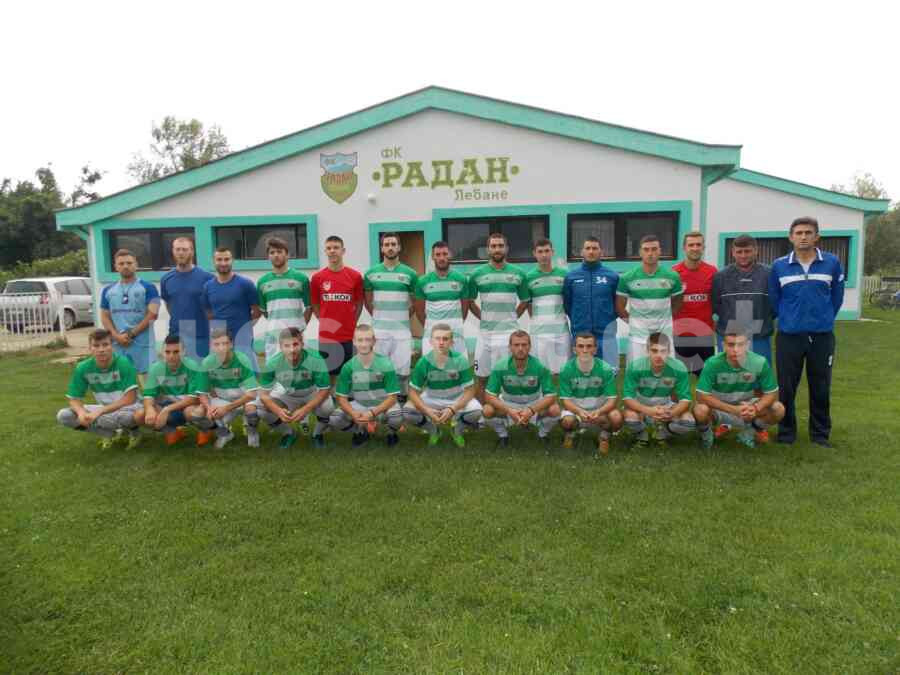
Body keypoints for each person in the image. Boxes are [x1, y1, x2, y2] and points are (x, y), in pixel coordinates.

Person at [768, 217, 844, 447]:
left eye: (808, 232)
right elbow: (774, 300)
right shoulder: (779, 266)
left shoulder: (832, 263)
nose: (803, 237)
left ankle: (820, 435)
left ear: (816, 236)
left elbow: (837, 298)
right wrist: (790, 319)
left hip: (822, 337)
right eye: (799, 233)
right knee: (786, 387)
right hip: (789, 336)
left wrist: (823, 319)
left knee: (820, 386)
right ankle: (786, 434)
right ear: (791, 237)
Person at [694, 330, 785, 449]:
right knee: (700, 410)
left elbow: (772, 393)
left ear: (748, 345)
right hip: (720, 407)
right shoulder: (712, 363)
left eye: (740, 345)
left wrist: (755, 408)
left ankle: (748, 434)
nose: (736, 350)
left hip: (746, 406)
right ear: (723, 346)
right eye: (731, 345)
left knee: (778, 409)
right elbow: (701, 396)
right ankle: (707, 437)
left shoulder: (759, 362)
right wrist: (733, 410)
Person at [56, 328, 142, 449]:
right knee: (64, 415)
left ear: (112, 346)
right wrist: (81, 413)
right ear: (90, 348)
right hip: (104, 410)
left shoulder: (123, 363)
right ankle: (108, 434)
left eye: (105, 344)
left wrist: (99, 412)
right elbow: (74, 399)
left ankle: (134, 433)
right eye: (96, 345)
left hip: (128, 408)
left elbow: (130, 399)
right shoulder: (83, 367)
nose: (101, 349)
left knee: (128, 416)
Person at [467, 232, 529, 398]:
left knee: (507, 378)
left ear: (506, 248)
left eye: (500, 246)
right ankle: (482, 411)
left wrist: (512, 318)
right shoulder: (476, 274)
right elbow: (470, 301)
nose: (497, 249)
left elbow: (525, 301)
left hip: (508, 334)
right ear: (488, 249)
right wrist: (484, 318)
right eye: (493, 246)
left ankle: (506, 409)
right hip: (485, 334)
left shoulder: (519, 273)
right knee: (481, 378)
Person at [404, 323, 483, 447]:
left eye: (445, 339)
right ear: (431, 342)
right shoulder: (423, 362)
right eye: (437, 339)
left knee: (477, 411)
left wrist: (453, 409)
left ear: (451, 342)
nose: (441, 343)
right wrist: (427, 410)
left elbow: (470, 390)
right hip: (432, 397)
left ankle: (457, 430)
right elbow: (413, 392)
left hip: (456, 398)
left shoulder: (460, 360)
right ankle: (433, 430)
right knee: (407, 411)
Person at [257, 327, 333, 450]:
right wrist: (278, 410)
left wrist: (305, 409)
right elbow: (263, 395)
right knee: (261, 409)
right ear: (281, 347)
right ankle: (288, 433)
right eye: (287, 346)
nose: (292, 350)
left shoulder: (315, 359)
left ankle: (317, 434)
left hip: (311, 392)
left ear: (302, 344)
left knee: (327, 407)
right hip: (286, 394)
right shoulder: (273, 363)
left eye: (295, 344)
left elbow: (324, 390)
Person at [482, 330, 560, 449]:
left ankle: (542, 434)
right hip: (509, 403)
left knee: (555, 410)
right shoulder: (500, 366)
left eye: (524, 345)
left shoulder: (540, 366)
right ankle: (503, 435)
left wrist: (531, 410)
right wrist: (509, 410)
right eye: (516, 345)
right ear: (510, 347)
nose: (520, 348)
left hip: (533, 402)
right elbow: (489, 396)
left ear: (530, 347)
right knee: (487, 410)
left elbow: (551, 396)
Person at [364, 232, 418, 402]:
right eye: (386, 244)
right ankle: (381, 404)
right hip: (379, 332)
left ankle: (400, 405)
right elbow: (368, 302)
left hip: (402, 332)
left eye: (393, 244)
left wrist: (401, 319)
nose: (390, 247)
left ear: (399, 247)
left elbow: (415, 303)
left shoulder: (410, 274)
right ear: (381, 248)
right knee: (379, 371)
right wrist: (380, 318)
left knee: (402, 372)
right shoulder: (371, 273)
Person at [329, 324, 404, 447]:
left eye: (367, 339)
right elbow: (341, 397)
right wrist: (353, 413)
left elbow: (392, 398)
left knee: (396, 416)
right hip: (360, 405)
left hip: (382, 406)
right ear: (354, 341)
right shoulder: (348, 366)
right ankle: (359, 432)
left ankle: (390, 433)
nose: (364, 344)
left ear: (374, 341)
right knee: (334, 418)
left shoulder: (385, 364)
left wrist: (372, 413)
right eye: (360, 340)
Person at [188, 328, 261, 449]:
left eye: (225, 343)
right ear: (211, 346)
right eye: (217, 344)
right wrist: (209, 408)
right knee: (197, 415)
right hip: (223, 400)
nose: (221, 348)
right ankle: (224, 434)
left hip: (244, 399)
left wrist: (226, 408)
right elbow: (202, 393)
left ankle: (252, 433)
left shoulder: (242, 359)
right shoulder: (207, 363)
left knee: (251, 410)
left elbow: (252, 394)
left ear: (231, 344)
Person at [616, 234, 683, 363]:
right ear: (640, 252)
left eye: (654, 249)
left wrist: (665, 320)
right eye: (646, 249)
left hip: (664, 337)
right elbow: (619, 307)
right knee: (637, 372)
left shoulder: (673, 276)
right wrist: (634, 322)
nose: (650, 253)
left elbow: (678, 303)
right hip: (638, 338)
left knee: (666, 373)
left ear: (660, 251)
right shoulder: (627, 277)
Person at [622, 332, 695, 448]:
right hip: (641, 405)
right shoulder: (635, 366)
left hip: (666, 405)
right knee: (630, 418)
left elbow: (685, 400)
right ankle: (642, 436)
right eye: (654, 351)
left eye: (663, 351)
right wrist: (647, 410)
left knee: (688, 422)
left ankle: (662, 434)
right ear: (647, 351)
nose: (659, 355)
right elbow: (627, 398)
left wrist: (671, 413)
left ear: (669, 351)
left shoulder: (679, 367)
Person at [711, 234, 774, 364]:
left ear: (756, 251)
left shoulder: (769, 274)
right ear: (733, 253)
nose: (743, 255)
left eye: (747, 251)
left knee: (759, 373)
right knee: (729, 374)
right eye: (739, 252)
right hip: (729, 337)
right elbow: (716, 306)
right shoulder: (720, 276)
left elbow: (775, 306)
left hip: (759, 337)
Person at [558, 332, 623, 456]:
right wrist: (579, 412)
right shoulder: (566, 369)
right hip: (576, 411)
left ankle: (604, 437)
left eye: (589, 346)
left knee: (616, 418)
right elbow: (565, 400)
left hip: (599, 411)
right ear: (574, 349)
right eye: (581, 346)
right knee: (567, 421)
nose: (585, 350)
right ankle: (570, 435)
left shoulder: (605, 368)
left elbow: (612, 399)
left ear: (595, 349)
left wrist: (599, 411)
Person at [310, 235, 364, 380]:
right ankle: (332, 394)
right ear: (325, 251)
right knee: (331, 376)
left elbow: (359, 303)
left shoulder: (355, 276)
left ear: (343, 250)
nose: (332, 251)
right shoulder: (317, 278)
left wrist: (352, 321)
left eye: (336, 248)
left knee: (349, 376)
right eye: (329, 248)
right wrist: (324, 321)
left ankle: (347, 395)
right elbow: (315, 304)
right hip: (328, 336)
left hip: (349, 335)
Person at [100, 249, 160, 376]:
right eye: (121, 264)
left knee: (148, 383)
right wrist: (116, 336)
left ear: (136, 265)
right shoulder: (107, 290)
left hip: (143, 345)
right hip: (118, 345)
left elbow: (153, 314)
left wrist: (132, 334)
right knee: (122, 381)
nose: (125, 266)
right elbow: (104, 316)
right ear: (116, 266)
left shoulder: (149, 287)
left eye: (129, 263)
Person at [563, 236, 620, 369]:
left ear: (601, 252)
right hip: (581, 336)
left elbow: (617, 304)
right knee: (581, 374)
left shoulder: (612, 276)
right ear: (582, 252)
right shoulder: (571, 277)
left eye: (595, 248)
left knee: (609, 373)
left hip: (606, 335)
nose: (591, 251)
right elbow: (567, 305)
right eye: (587, 248)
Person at [201, 247, 261, 370]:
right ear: (214, 261)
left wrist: (245, 326)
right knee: (221, 372)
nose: (223, 263)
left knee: (247, 370)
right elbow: (208, 312)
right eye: (219, 259)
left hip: (242, 337)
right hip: (219, 338)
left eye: (226, 259)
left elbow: (257, 311)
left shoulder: (245, 284)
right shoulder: (208, 287)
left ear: (232, 260)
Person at [140, 334, 204, 446]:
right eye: (167, 352)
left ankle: (206, 430)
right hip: (169, 407)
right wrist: (149, 409)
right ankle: (172, 431)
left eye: (176, 352)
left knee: (192, 413)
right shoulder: (156, 368)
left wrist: (167, 410)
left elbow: (194, 399)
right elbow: (148, 395)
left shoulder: (192, 366)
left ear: (184, 352)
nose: (171, 356)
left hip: (188, 407)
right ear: (162, 352)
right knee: (142, 414)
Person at [257, 237, 311, 363]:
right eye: (272, 252)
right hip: (273, 336)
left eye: (279, 251)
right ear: (268, 256)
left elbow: (309, 307)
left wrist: (300, 327)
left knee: (300, 370)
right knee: (274, 371)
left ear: (287, 255)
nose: (276, 255)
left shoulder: (301, 278)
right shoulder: (262, 282)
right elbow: (264, 311)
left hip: (296, 335)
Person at [414, 240, 470, 359]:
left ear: (450, 255)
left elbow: (465, 309)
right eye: (438, 254)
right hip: (432, 334)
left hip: (456, 334)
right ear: (433, 257)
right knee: (432, 368)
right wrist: (431, 327)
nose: (442, 258)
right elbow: (419, 311)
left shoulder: (461, 279)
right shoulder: (422, 281)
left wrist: (456, 325)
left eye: (445, 254)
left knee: (459, 366)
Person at [160, 237, 214, 359]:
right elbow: (169, 304)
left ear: (192, 251)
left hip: (200, 336)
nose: (181, 253)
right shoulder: (166, 279)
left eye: (184, 249)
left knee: (199, 369)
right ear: (173, 251)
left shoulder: (207, 278)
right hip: (176, 336)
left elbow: (213, 308)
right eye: (178, 249)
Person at [524, 238, 571, 375]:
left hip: (561, 333)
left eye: (547, 251)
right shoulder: (528, 278)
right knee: (541, 374)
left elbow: (568, 301)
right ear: (534, 253)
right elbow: (529, 306)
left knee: (563, 374)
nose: (544, 255)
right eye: (540, 251)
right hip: (539, 335)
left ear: (552, 252)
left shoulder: (564, 275)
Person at [672, 232, 717, 374]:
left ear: (703, 247)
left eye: (698, 244)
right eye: (691, 245)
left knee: (706, 379)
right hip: (681, 336)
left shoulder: (712, 272)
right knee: (679, 380)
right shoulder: (674, 273)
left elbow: (717, 301)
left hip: (704, 336)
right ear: (684, 248)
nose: (695, 248)